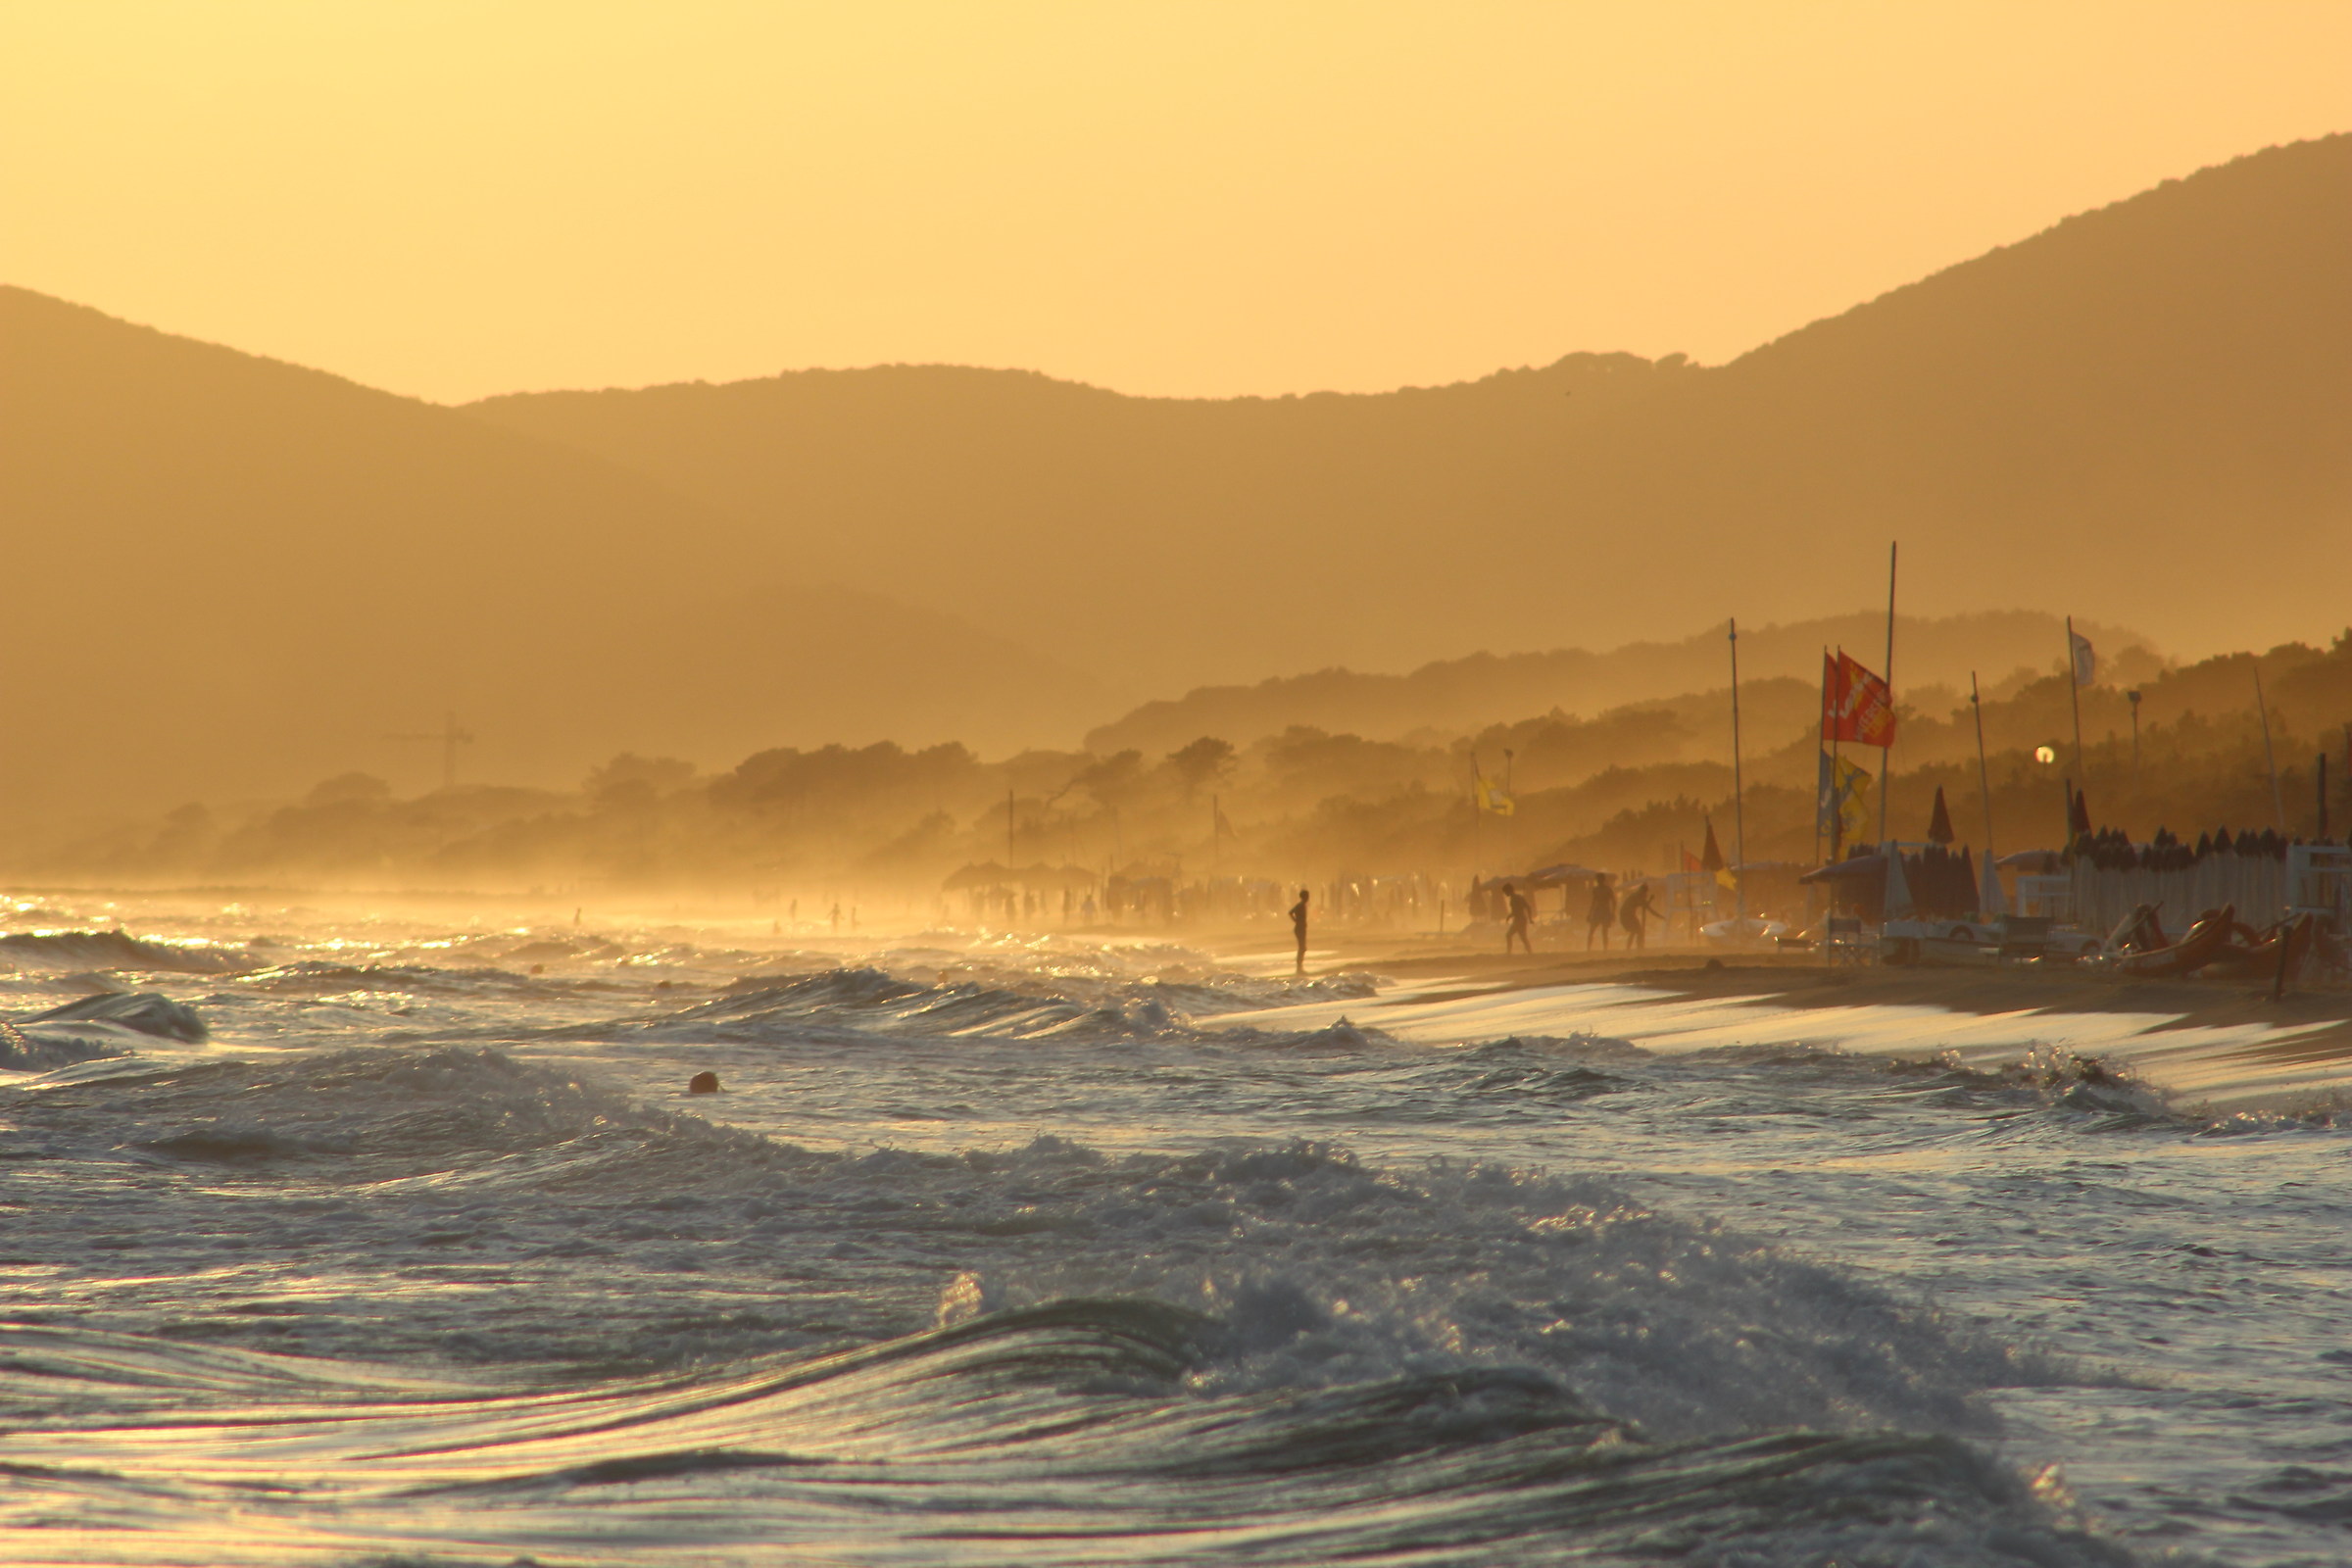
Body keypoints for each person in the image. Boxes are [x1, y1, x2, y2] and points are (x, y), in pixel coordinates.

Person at [1618, 880, 1657, 950]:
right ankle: (1632, 948)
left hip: (1630, 915)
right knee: (1635, 931)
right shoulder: (1637, 895)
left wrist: (1659, 916)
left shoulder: (1640, 895)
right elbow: (1645, 906)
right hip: (1626, 915)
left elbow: (1647, 907)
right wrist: (1650, 899)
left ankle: (1637, 947)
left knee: (1638, 932)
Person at [1586, 872, 1617, 951]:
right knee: (1592, 930)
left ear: (1603, 880)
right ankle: (1588, 949)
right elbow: (1593, 902)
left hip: (1605, 911)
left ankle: (1605, 949)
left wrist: (1613, 913)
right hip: (1598, 911)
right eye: (1597, 879)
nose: (1598, 881)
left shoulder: (1608, 889)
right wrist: (1589, 913)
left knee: (1604, 932)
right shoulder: (1596, 889)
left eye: (1599, 879)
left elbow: (1614, 902)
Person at [1503, 881, 1535, 954]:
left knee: (1510, 935)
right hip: (1521, 919)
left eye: (1505, 892)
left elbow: (1517, 911)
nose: (1505, 894)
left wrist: (1509, 916)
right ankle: (1529, 952)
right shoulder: (1519, 897)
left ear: (1509, 891)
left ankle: (1509, 952)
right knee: (1522, 937)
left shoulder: (1514, 899)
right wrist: (1529, 918)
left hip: (1519, 920)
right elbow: (1528, 907)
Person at [1290, 888, 1311, 975]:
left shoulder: (1302, 905)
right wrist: (1296, 921)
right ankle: (1299, 968)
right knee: (1302, 947)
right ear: (1305, 897)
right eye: (1307, 896)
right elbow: (1290, 912)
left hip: (1301, 928)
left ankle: (1300, 967)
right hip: (1299, 929)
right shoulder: (1300, 905)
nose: (1308, 898)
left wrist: (1297, 921)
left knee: (1302, 948)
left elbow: (1291, 913)